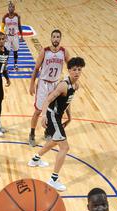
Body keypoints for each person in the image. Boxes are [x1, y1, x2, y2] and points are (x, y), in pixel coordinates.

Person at [27, 56, 85, 192]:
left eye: (79, 70)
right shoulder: (63, 85)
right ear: (69, 70)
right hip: (52, 115)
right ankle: (53, 179)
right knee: (64, 147)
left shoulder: (75, 85)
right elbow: (48, 99)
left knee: (54, 141)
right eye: (74, 70)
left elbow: (67, 101)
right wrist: (43, 116)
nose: (77, 72)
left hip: (58, 117)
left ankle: (35, 159)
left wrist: (69, 117)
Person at [28, 29, 70, 147]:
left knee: (52, 111)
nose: (56, 39)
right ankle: (32, 134)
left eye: (58, 37)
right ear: (51, 38)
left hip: (55, 84)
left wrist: (73, 81)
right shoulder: (45, 51)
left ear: (60, 39)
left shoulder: (64, 52)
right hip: (43, 84)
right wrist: (32, 84)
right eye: (54, 37)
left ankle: (47, 132)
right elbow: (36, 69)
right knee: (38, 111)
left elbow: (71, 66)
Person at [0, 1, 23, 70]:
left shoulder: (17, 16)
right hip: (8, 36)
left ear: (14, 8)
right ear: (8, 8)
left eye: (12, 7)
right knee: (7, 51)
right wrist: (3, 35)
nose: (11, 8)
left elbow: (19, 26)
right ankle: (5, 65)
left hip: (15, 36)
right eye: (10, 7)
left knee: (15, 51)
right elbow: (1, 28)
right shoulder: (4, 17)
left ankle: (15, 65)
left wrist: (21, 35)